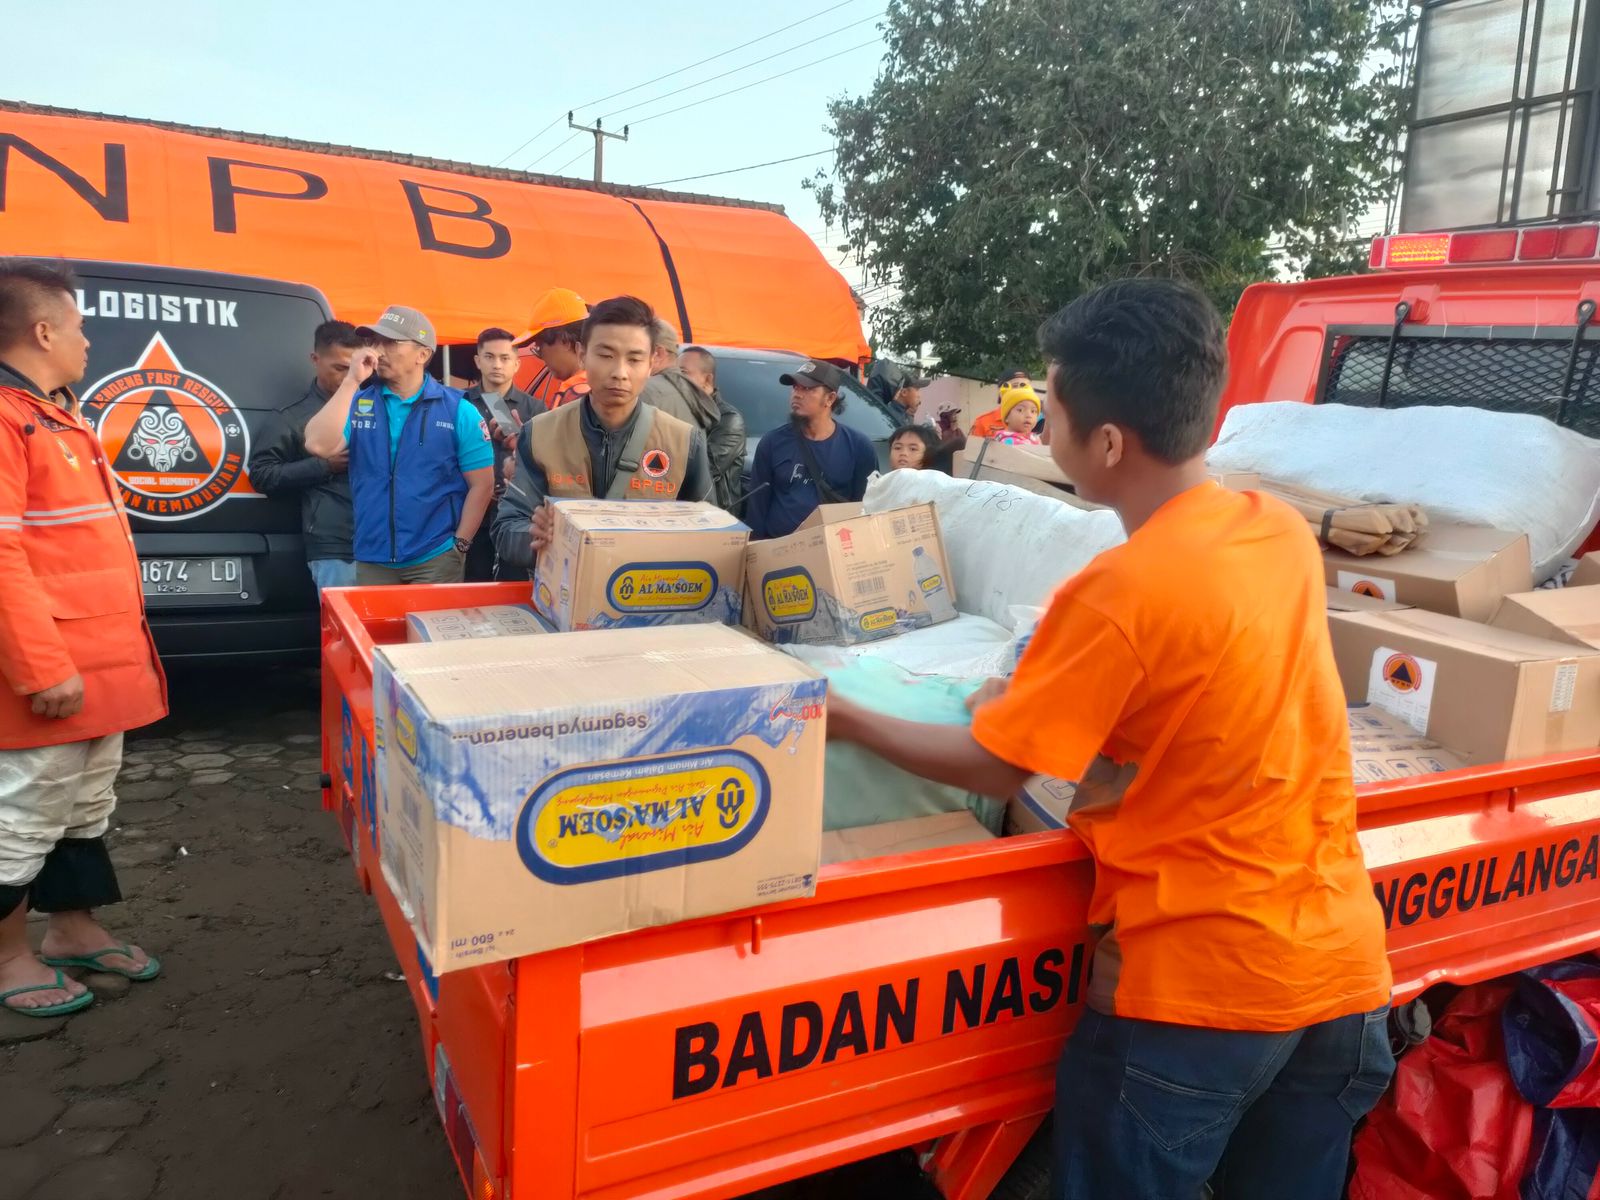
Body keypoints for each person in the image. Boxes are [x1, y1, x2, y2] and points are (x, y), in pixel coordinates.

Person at [827, 279, 1394, 1199]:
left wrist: (845, 715)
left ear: (1108, 443)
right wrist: (1043, 695)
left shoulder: (1116, 593)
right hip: (1340, 969)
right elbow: (1205, 694)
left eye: (1051, 414)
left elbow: (996, 766)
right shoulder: (1276, 532)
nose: (1043, 432)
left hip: (1196, 996)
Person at [0, 261, 168, 1017]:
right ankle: (9, 957)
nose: (88, 340)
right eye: (78, 327)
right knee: (22, 813)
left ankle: (72, 928)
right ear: (43, 332)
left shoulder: (52, 413)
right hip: (50, 671)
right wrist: (41, 669)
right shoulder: (8, 419)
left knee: (82, 804)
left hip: (97, 664)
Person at [492, 295, 714, 573]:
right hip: (562, 594)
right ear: (582, 354)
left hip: (646, 594)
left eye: (634, 358)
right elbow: (506, 528)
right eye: (606, 356)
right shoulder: (540, 433)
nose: (620, 372)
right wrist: (536, 537)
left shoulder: (684, 442)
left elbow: (711, 535)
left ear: (651, 362)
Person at [303, 305, 495, 585]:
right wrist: (351, 381)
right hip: (372, 558)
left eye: (391, 342)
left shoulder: (458, 409)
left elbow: (483, 485)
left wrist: (460, 545)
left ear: (422, 354)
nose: (378, 350)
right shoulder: (358, 402)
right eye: (375, 341)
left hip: (435, 558)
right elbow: (318, 445)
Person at [248, 321, 364, 591]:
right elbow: (262, 475)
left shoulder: (376, 405)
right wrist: (324, 466)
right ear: (315, 359)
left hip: (385, 546)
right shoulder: (291, 416)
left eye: (353, 368)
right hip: (335, 545)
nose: (348, 377)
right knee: (341, 620)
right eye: (340, 368)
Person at [745, 359, 877, 540]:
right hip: (779, 549)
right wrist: (756, 551)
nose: (797, 395)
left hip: (832, 548)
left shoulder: (859, 447)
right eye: (795, 388)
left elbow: (865, 510)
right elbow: (757, 508)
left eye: (807, 389)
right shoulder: (772, 443)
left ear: (830, 398)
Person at [462, 326, 546, 581]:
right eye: (489, 357)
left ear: (517, 364)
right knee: (473, 587)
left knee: (512, 585)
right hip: (470, 513)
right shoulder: (461, 404)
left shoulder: (535, 407)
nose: (497, 365)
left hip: (516, 513)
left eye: (505, 358)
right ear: (477, 360)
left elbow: (545, 461)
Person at [642, 332, 747, 512]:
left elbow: (704, 469)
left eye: (683, 373)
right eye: (675, 372)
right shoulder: (673, 405)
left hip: (713, 512)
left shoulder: (729, 420)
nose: (677, 378)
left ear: (708, 380)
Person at [515, 287, 589, 409]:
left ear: (565, 341)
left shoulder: (576, 395)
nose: (542, 359)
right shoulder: (603, 386)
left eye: (539, 348)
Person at [970, 368, 1033, 440]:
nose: (1021, 391)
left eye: (1025, 386)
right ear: (1001, 390)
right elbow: (973, 446)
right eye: (1015, 386)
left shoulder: (1033, 420)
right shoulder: (982, 422)